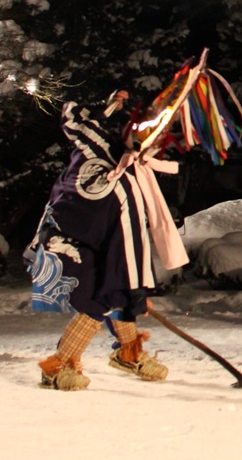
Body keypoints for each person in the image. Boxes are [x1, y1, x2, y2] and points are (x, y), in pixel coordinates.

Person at [27, 92, 185, 391]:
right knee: (99, 299)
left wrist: (134, 291)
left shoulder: (129, 176)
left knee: (114, 293)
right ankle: (59, 367)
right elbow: (74, 119)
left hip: (93, 243)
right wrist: (108, 105)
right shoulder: (99, 149)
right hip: (67, 237)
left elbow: (131, 240)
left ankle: (129, 353)